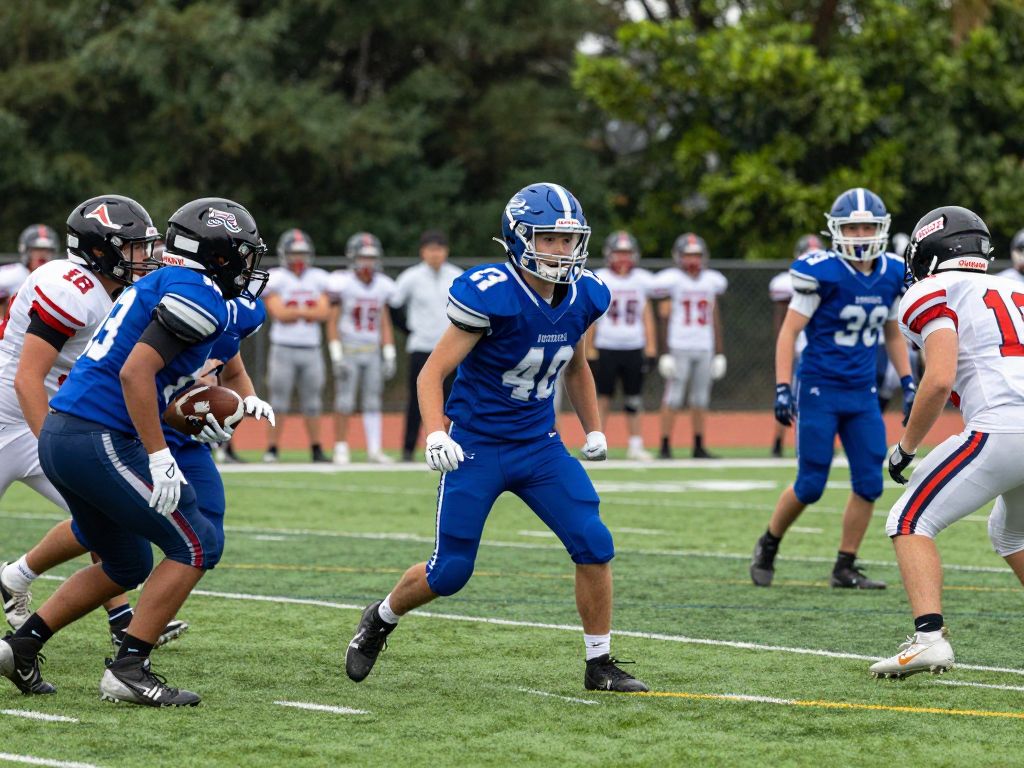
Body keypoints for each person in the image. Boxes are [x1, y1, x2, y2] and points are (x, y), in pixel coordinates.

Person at [345, 182, 647, 693]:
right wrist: (436, 433)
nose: (561, 250)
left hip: (540, 445)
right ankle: (381, 616)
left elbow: (576, 366)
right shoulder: (491, 293)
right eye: (548, 238)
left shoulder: (586, 294)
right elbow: (431, 372)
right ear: (519, 237)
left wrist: (593, 426)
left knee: (595, 543)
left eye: (568, 239)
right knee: (450, 573)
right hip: (477, 446)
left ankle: (599, 663)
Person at [0, 198, 271, 706]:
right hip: (97, 434)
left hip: (64, 432)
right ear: (219, 255)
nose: (250, 266)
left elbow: (155, 376)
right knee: (197, 544)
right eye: (243, 254)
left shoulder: (163, 282)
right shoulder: (198, 295)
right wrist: (159, 454)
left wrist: (221, 404)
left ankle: (21, 645)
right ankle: (128, 669)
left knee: (126, 562)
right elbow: (134, 373)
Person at [0, 197, 185, 647]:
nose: (145, 257)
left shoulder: (112, 292)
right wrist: (55, 446)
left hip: (43, 418)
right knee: (101, 508)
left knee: (104, 514)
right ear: (101, 251)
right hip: (14, 415)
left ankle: (119, 616)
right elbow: (27, 378)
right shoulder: (70, 288)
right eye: (135, 247)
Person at [871, 206, 1024, 678]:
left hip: (1002, 425)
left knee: (908, 519)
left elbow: (937, 379)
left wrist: (906, 447)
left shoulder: (932, 289)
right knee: (1010, 533)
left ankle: (929, 640)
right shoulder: (1014, 288)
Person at [750, 187, 916, 589]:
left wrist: (908, 382)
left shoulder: (892, 272)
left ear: (880, 228)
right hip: (820, 389)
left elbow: (893, 333)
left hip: (862, 393)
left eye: (867, 227)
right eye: (852, 228)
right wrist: (783, 386)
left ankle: (845, 565)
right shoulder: (822, 272)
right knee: (810, 485)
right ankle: (769, 543)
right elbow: (789, 333)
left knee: (870, 483)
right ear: (837, 230)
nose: (860, 235)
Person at [652, 233, 728, 459]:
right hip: (679, 345)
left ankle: (698, 445)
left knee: (701, 399)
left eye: (696, 255)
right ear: (678, 257)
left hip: (705, 346)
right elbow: (663, 317)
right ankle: (665, 445)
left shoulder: (712, 280)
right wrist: (664, 352)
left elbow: (715, 317)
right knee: (673, 397)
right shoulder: (671, 280)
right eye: (688, 255)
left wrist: (719, 352)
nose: (693, 260)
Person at [389, 230, 462, 461]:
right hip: (421, 346)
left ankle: (454, 447)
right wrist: (409, 330)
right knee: (416, 399)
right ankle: (408, 450)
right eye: (431, 249)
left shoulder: (457, 276)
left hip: (452, 349)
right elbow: (393, 305)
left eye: (439, 249)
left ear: (446, 251)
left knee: (454, 399)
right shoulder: (411, 277)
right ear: (423, 252)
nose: (435, 254)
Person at [327, 232, 398, 464]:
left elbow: (384, 322)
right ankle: (340, 447)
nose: (368, 262)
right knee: (344, 401)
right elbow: (332, 322)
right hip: (349, 349)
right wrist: (336, 355)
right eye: (363, 257)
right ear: (353, 258)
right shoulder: (342, 283)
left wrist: (389, 353)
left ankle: (374, 449)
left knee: (373, 402)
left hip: (372, 351)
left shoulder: (383, 285)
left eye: (371, 257)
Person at [263, 228, 331, 462]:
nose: (298, 258)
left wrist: (294, 311)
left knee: (313, 402)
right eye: (294, 253)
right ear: (285, 253)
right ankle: (272, 449)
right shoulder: (276, 277)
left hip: (311, 348)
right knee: (278, 401)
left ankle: (316, 448)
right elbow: (279, 313)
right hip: (283, 347)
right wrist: (307, 311)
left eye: (302, 253)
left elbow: (324, 312)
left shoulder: (318, 277)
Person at [589, 230, 657, 460]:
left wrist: (651, 347)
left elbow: (647, 314)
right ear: (609, 254)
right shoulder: (600, 278)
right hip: (606, 345)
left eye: (627, 253)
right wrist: (589, 348)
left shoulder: (642, 280)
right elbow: (592, 316)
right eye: (619, 252)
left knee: (634, 398)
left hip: (633, 346)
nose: (623, 257)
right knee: (602, 397)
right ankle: (596, 443)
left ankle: (636, 445)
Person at [768, 234, 822, 457]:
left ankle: (823, 444)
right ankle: (778, 443)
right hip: (799, 348)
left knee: (822, 401)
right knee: (787, 397)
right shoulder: (787, 282)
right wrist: (783, 347)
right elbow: (782, 323)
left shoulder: (832, 279)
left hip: (821, 349)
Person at [0, 225, 59, 325]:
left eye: (47, 250)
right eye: (37, 249)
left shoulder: (58, 277)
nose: (42, 253)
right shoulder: (14, 274)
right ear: (26, 251)